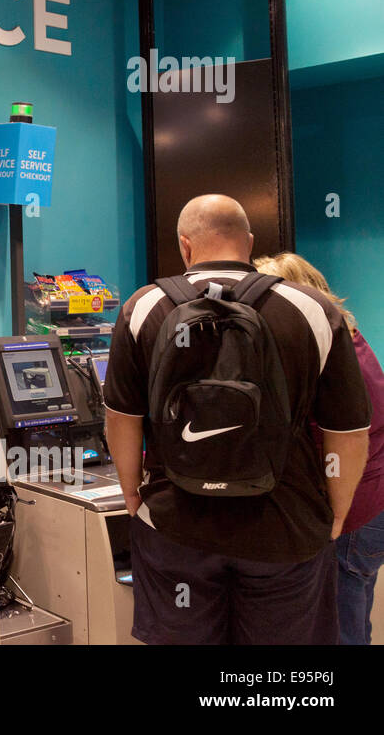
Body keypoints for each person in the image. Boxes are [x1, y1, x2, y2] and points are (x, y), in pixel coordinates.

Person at [103, 194, 370, 644]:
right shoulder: (313, 310)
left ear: (185, 246)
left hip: (176, 525)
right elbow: (346, 431)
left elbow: (122, 418)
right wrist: (335, 514)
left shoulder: (142, 307)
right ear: (248, 242)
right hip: (285, 526)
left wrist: (134, 497)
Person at [256, 252, 384, 644]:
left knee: (339, 628)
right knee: (353, 618)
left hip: (348, 514)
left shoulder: (321, 356)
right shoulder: (348, 339)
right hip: (370, 505)